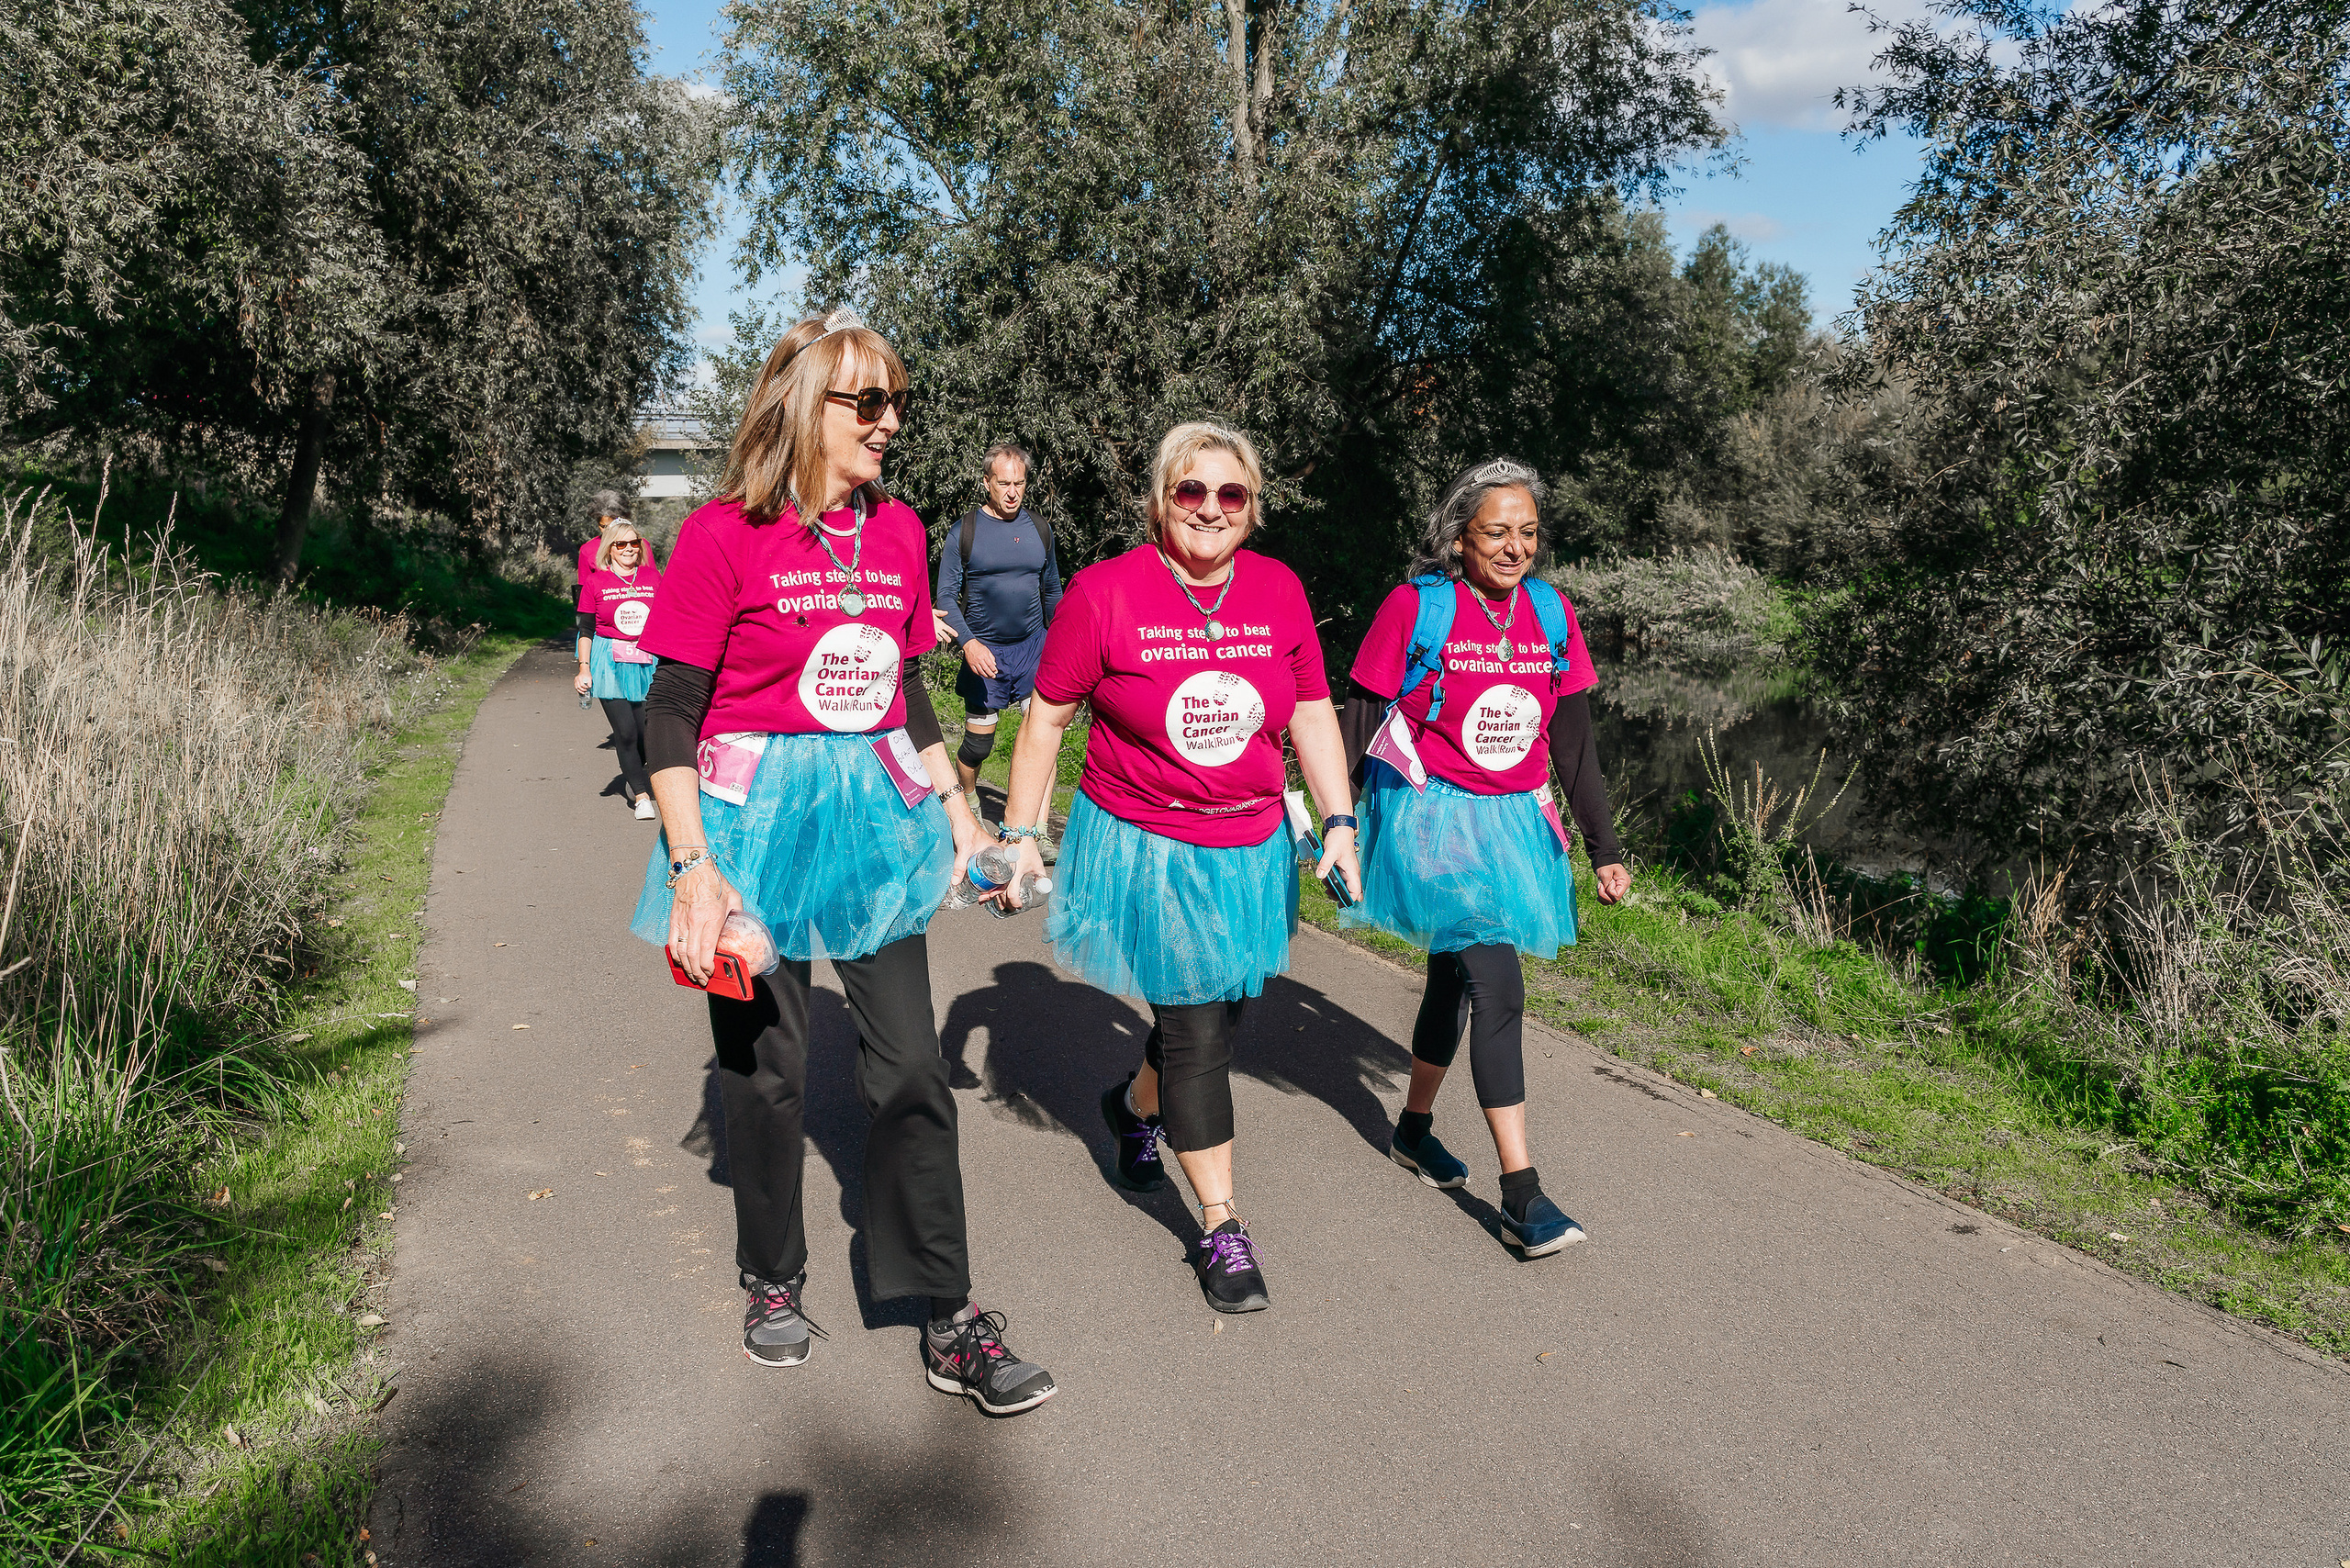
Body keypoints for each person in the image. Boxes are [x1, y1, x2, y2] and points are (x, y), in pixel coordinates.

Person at [627, 307, 1057, 1416]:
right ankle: (773, 1276)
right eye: (867, 401)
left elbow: (906, 690)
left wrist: (964, 822)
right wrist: (691, 867)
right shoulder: (725, 534)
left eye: (896, 401)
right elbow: (669, 711)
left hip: (874, 819)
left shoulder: (901, 531)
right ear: (802, 407)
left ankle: (947, 1314)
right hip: (747, 826)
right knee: (767, 1074)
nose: (890, 420)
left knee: (910, 1064)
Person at [995, 421, 1360, 1315]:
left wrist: (1341, 820)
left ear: (1252, 508)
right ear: (1159, 501)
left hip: (1248, 846)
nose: (1208, 509)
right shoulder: (1105, 593)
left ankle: (1131, 1104)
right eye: (1189, 491)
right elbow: (1046, 717)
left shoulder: (1275, 592)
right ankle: (1222, 1226)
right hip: (1144, 845)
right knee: (1198, 1027)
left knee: (1222, 1013)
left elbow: (1311, 711)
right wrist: (1020, 833)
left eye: (1229, 494)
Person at [1337, 458, 1631, 1258]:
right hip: (1430, 819)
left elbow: (1571, 747)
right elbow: (1360, 716)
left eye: (1528, 532)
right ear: (1458, 534)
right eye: (1496, 532)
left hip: (1513, 826)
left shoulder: (1551, 613)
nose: (1514, 548)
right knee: (1497, 982)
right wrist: (1339, 825)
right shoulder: (1416, 608)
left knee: (1454, 977)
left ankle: (1412, 1130)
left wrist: (1604, 847)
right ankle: (1522, 1196)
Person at [934, 443, 1062, 817]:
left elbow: (1052, 588)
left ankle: (1034, 827)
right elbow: (944, 595)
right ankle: (970, 796)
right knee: (978, 746)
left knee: (1041, 736)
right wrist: (968, 644)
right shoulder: (965, 531)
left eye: (1019, 484)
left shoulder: (1040, 529)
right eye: (1004, 483)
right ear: (987, 482)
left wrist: (1062, 638)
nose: (1012, 492)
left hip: (1032, 648)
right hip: (983, 649)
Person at [573, 519, 663, 819]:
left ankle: (639, 770)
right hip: (608, 660)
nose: (628, 549)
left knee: (647, 733)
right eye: (620, 544)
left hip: (647, 660)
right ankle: (641, 796)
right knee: (625, 732)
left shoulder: (653, 578)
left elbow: (669, 620)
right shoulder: (596, 582)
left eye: (633, 543)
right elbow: (585, 629)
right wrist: (584, 669)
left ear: (640, 546)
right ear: (609, 548)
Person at [576, 488, 629, 619]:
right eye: (603, 526)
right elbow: (584, 591)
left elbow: (651, 583)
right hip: (601, 618)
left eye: (613, 524)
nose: (608, 530)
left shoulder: (638, 545)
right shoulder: (587, 550)